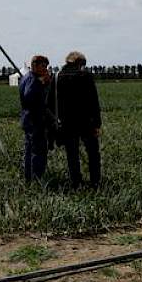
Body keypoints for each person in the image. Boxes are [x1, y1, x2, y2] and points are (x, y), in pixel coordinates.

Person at [49, 51, 102, 188]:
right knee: (93, 153)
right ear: (80, 63)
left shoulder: (56, 77)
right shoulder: (86, 77)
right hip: (86, 123)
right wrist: (97, 124)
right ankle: (95, 181)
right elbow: (93, 102)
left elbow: (49, 103)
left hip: (66, 123)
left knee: (72, 154)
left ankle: (76, 182)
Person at [19, 54, 54, 182]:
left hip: (27, 119)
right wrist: (42, 84)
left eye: (46, 66)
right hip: (35, 120)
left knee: (29, 150)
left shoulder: (26, 77)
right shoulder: (34, 79)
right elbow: (29, 96)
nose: (45, 69)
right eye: (43, 66)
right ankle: (37, 178)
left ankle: (29, 177)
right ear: (34, 65)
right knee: (38, 151)